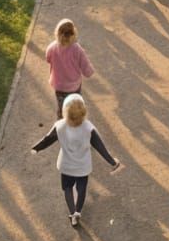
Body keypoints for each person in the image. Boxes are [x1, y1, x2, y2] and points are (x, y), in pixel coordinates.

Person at [30, 93, 121, 228]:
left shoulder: (60, 125)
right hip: (82, 167)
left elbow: (47, 139)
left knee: (67, 188)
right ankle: (78, 211)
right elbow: (100, 147)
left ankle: (72, 213)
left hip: (66, 165)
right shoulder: (88, 128)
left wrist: (36, 148)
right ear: (83, 112)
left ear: (65, 111)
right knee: (81, 188)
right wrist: (112, 162)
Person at [44, 20, 95, 119]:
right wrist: (89, 72)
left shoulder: (52, 48)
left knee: (61, 105)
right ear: (73, 33)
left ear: (57, 33)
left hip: (59, 86)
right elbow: (85, 66)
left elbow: (48, 59)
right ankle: (76, 122)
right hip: (74, 86)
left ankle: (61, 122)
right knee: (75, 105)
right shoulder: (77, 49)